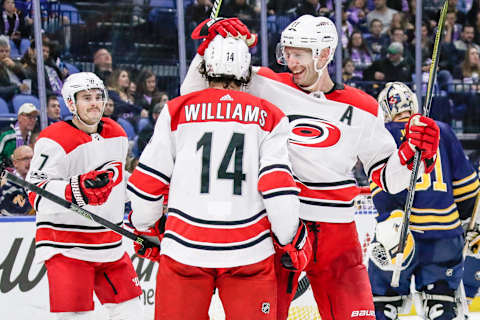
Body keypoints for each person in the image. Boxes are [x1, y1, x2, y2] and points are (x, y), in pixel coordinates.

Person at [181, 15, 440, 320]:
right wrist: (209, 50)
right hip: (276, 228)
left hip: (338, 239)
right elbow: (193, 100)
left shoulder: (363, 108)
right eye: (286, 52)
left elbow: (390, 180)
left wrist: (416, 155)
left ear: (325, 54)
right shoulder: (263, 83)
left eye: (298, 54)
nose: (289, 61)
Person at [127, 35, 312, 320]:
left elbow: (147, 181)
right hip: (248, 252)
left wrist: (145, 228)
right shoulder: (271, 116)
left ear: (206, 69)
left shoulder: (176, 110)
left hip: (184, 249)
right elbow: (277, 187)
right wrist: (291, 238)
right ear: (246, 71)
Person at [26, 72, 143, 319]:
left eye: (99, 97)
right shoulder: (53, 140)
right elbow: (34, 193)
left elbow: (119, 184)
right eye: (86, 98)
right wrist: (74, 189)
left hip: (110, 244)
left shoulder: (117, 133)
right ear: (71, 103)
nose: (94, 103)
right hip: (68, 247)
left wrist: (149, 197)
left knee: (133, 313)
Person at [368, 82, 479, 319]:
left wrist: (391, 219)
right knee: (441, 305)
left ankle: (386, 306)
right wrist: (469, 224)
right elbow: (468, 191)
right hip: (444, 236)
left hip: (397, 236)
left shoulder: (381, 135)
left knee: (383, 304)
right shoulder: (442, 131)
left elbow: (381, 191)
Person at [0, 102, 37, 167]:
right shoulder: (7, 137)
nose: (32, 120)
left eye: (34, 117)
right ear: (19, 117)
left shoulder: (33, 139)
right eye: (29, 116)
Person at [0, 145, 34, 215]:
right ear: (15, 163)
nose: (30, 162)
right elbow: (20, 210)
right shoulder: (6, 183)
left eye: (33, 158)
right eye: (26, 159)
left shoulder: (37, 180)